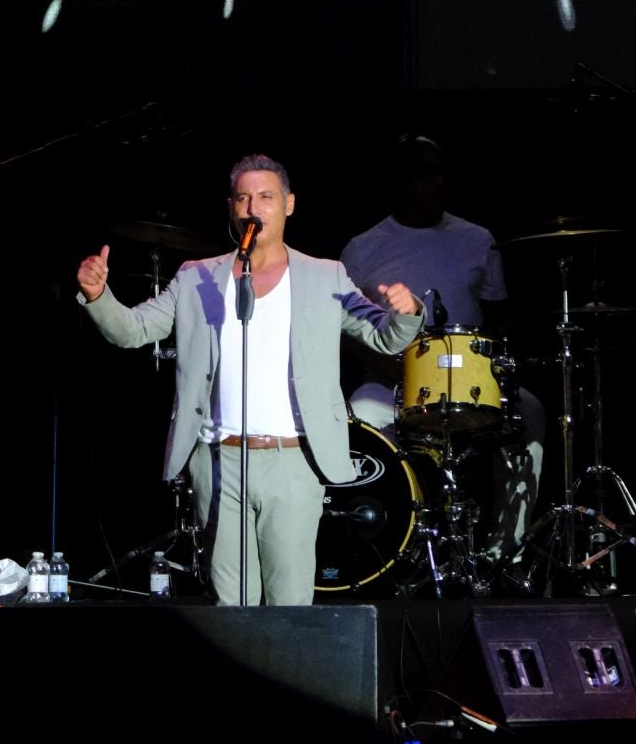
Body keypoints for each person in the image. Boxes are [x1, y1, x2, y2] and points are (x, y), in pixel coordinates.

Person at [77, 153, 424, 606]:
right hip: (218, 460)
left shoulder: (326, 276)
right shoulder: (197, 276)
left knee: (290, 604)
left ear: (289, 205)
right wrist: (99, 295)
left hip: (292, 460)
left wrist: (407, 312)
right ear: (231, 207)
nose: (252, 207)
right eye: (243, 198)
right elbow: (134, 330)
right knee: (232, 607)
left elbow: (382, 337)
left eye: (265, 196)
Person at [340, 134, 546, 560]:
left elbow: (499, 315)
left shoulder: (476, 238)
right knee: (362, 415)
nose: (435, 185)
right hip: (391, 381)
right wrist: (388, 367)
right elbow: (346, 332)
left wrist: (494, 364)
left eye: (439, 175)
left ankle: (505, 549)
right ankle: (392, 542)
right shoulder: (362, 249)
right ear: (401, 182)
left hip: (469, 380)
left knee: (530, 412)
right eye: (423, 176)